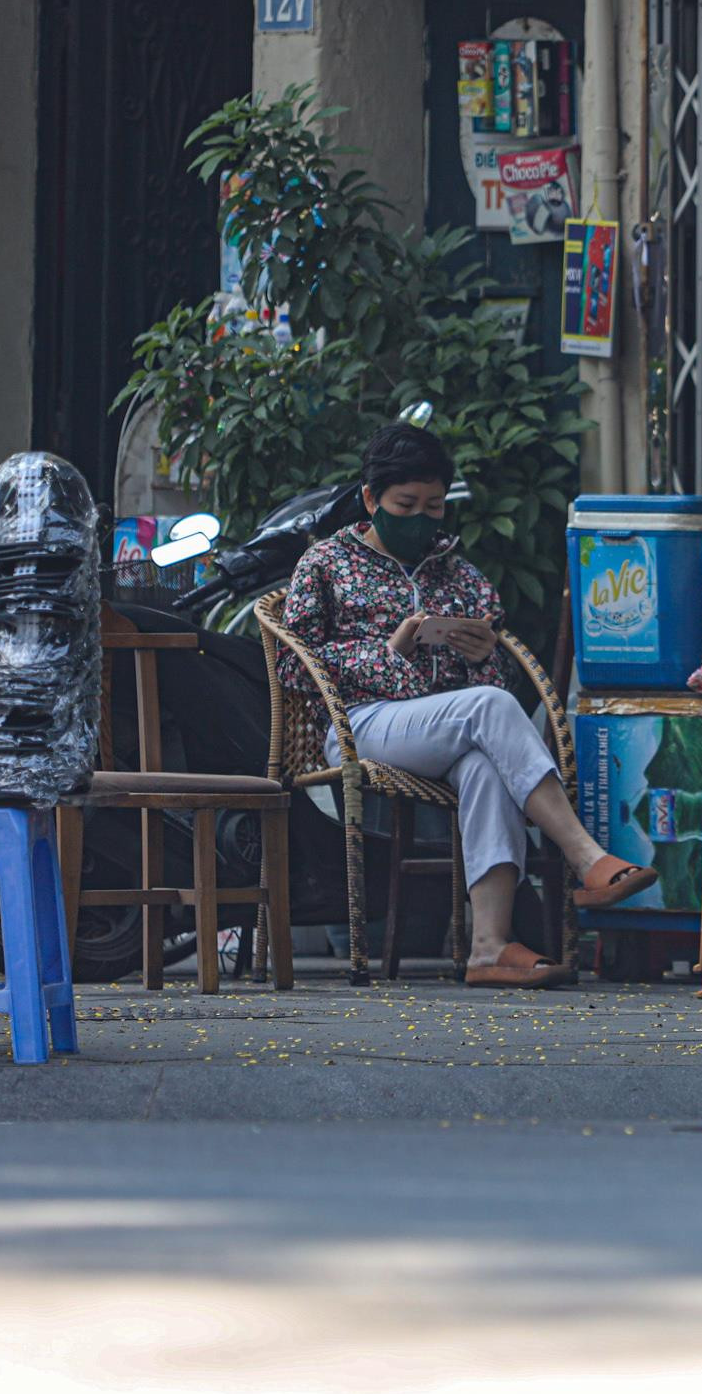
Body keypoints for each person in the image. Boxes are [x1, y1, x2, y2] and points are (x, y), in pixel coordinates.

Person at [281, 422, 656, 986]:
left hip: (445, 727)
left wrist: (484, 656)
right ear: (369, 499)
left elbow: (493, 683)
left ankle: (487, 946)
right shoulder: (326, 563)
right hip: (360, 722)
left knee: (483, 762)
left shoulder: (462, 576)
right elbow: (295, 662)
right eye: (405, 504)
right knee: (487, 708)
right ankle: (584, 856)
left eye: (433, 506)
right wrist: (390, 653)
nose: (420, 519)